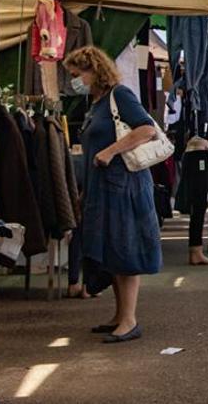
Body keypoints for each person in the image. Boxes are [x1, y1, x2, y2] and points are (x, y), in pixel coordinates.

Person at [63, 46, 162, 343]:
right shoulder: (96, 103)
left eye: (76, 74)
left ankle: (129, 320)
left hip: (124, 186)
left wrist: (110, 151)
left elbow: (147, 129)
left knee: (125, 247)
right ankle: (120, 315)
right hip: (104, 187)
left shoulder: (119, 95)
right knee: (113, 250)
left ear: (94, 70)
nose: (74, 80)